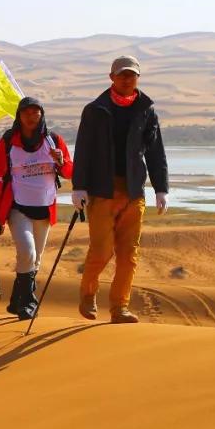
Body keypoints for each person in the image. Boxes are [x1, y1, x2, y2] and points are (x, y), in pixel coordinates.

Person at [72, 55, 169, 324]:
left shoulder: (146, 109)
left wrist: (161, 188)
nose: (127, 79)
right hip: (102, 190)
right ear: (111, 77)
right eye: (122, 74)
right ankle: (88, 294)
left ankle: (120, 308)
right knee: (101, 251)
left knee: (129, 255)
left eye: (132, 75)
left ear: (138, 78)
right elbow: (83, 150)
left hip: (134, 191)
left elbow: (155, 151)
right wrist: (79, 187)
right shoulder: (95, 110)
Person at [0, 97, 74, 320]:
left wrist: (61, 161)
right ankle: (29, 304)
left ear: (42, 115)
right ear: (19, 115)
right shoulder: (7, 142)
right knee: (27, 252)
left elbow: (70, 172)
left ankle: (17, 300)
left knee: (35, 260)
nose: (32, 116)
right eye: (27, 112)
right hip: (17, 207)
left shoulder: (53, 141)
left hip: (44, 209)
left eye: (36, 112)